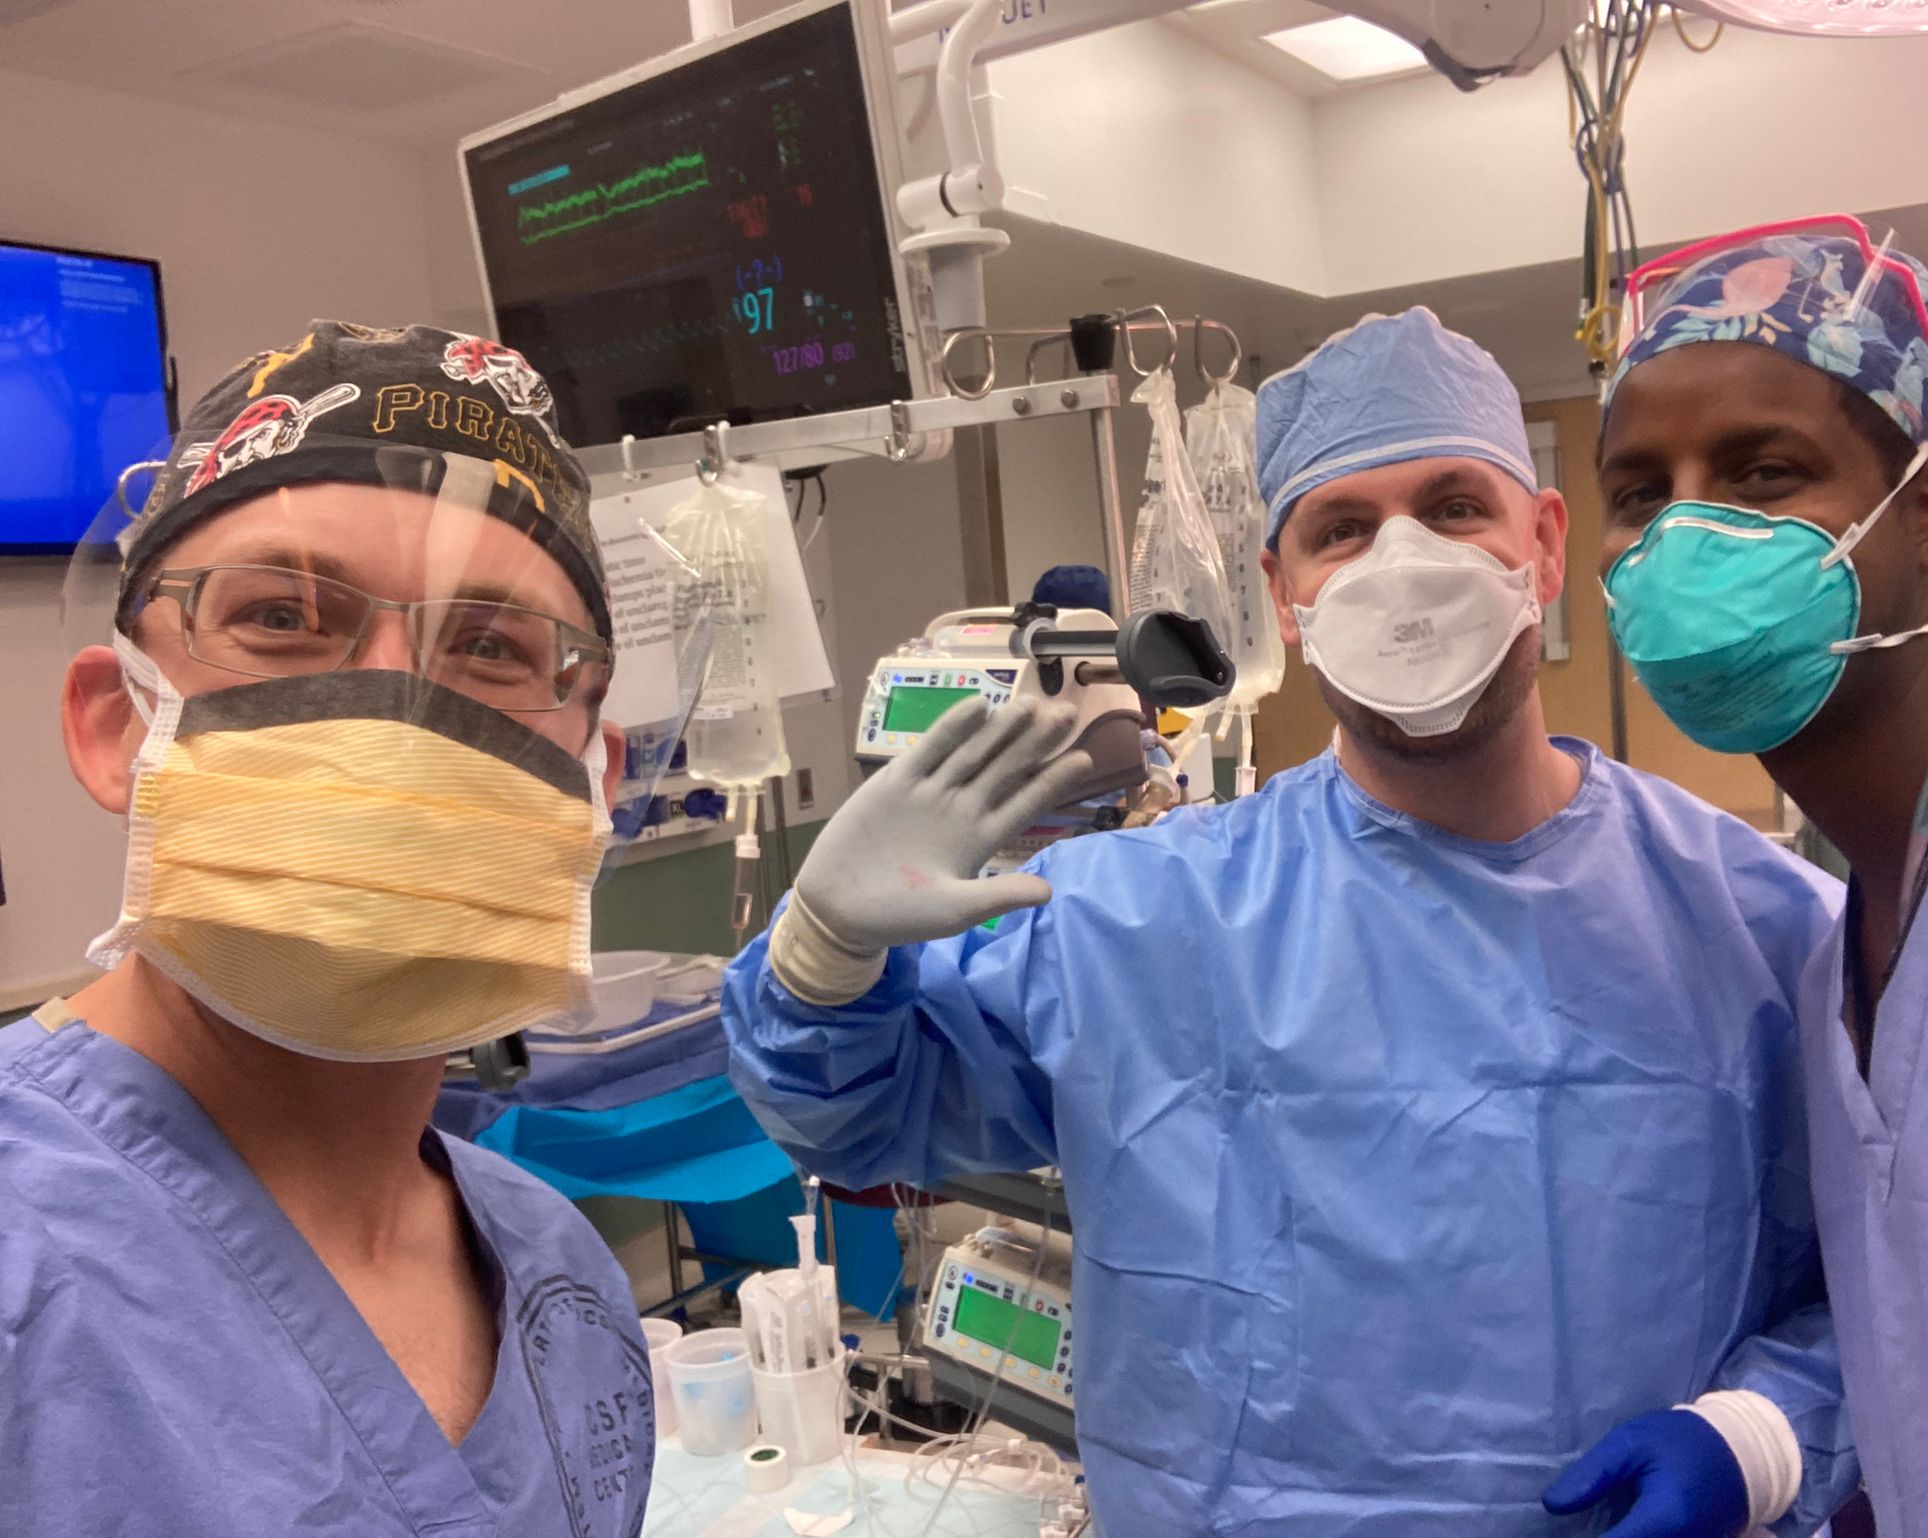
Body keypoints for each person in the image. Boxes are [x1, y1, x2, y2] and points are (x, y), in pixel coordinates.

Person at [723, 307, 1860, 1536]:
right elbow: (857, 1112)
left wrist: (1755, 1438)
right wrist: (824, 953)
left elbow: (1920, 1265)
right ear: (1283, 592)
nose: (1403, 561)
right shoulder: (1140, 914)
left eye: (1454, 505)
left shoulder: (1761, 924)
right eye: (1341, 530)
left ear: (1540, 543)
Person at [0, 322, 658, 1536]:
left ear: (593, 782)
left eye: (494, 647)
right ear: (112, 723)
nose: (396, 714)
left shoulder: (561, 1280)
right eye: (282, 617)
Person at [1600, 217, 1928, 1535]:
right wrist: (1757, 1439)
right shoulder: (1838, 941)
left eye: (1762, 473)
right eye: (1642, 492)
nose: (1687, 534)